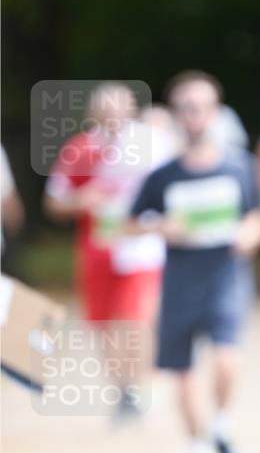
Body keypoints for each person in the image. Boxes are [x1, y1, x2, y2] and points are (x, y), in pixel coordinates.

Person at [126, 72, 260, 453]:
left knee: (225, 361)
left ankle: (221, 426)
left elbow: (258, 214)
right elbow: (130, 223)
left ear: (215, 111)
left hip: (225, 277)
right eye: (185, 107)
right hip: (180, 283)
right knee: (182, 373)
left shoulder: (238, 166)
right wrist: (160, 226)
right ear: (175, 115)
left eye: (201, 106)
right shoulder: (163, 176)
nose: (194, 116)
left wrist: (250, 235)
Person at [43, 83, 167, 418]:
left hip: (140, 249)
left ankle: (136, 388)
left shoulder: (150, 144)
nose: (113, 116)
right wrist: (80, 201)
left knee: (133, 320)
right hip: (97, 250)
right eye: (106, 110)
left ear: (131, 110)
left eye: (120, 108)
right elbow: (53, 202)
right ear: (93, 114)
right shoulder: (79, 150)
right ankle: (122, 389)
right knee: (102, 324)